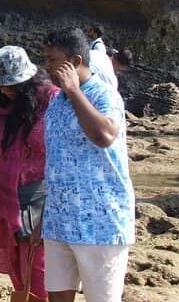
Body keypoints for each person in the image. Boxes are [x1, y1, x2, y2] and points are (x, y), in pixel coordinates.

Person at [41, 27, 134, 302]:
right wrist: (44, 217)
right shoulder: (57, 102)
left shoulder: (104, 96)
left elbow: (104, 135)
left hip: (101, 223)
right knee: (57, 296)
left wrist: (73, 90)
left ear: (76, 62)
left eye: (52, 60)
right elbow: (56, 161)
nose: (46, 67)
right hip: (59, 222)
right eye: (45, 59)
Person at [0, 46, 58, 301]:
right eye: (1, 85)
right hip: (6, 200)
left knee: (38, 267)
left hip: (39, 201)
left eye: (11, 85)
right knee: (17, 267)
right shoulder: (0, 105)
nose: (5, 90)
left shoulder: (50, 102)